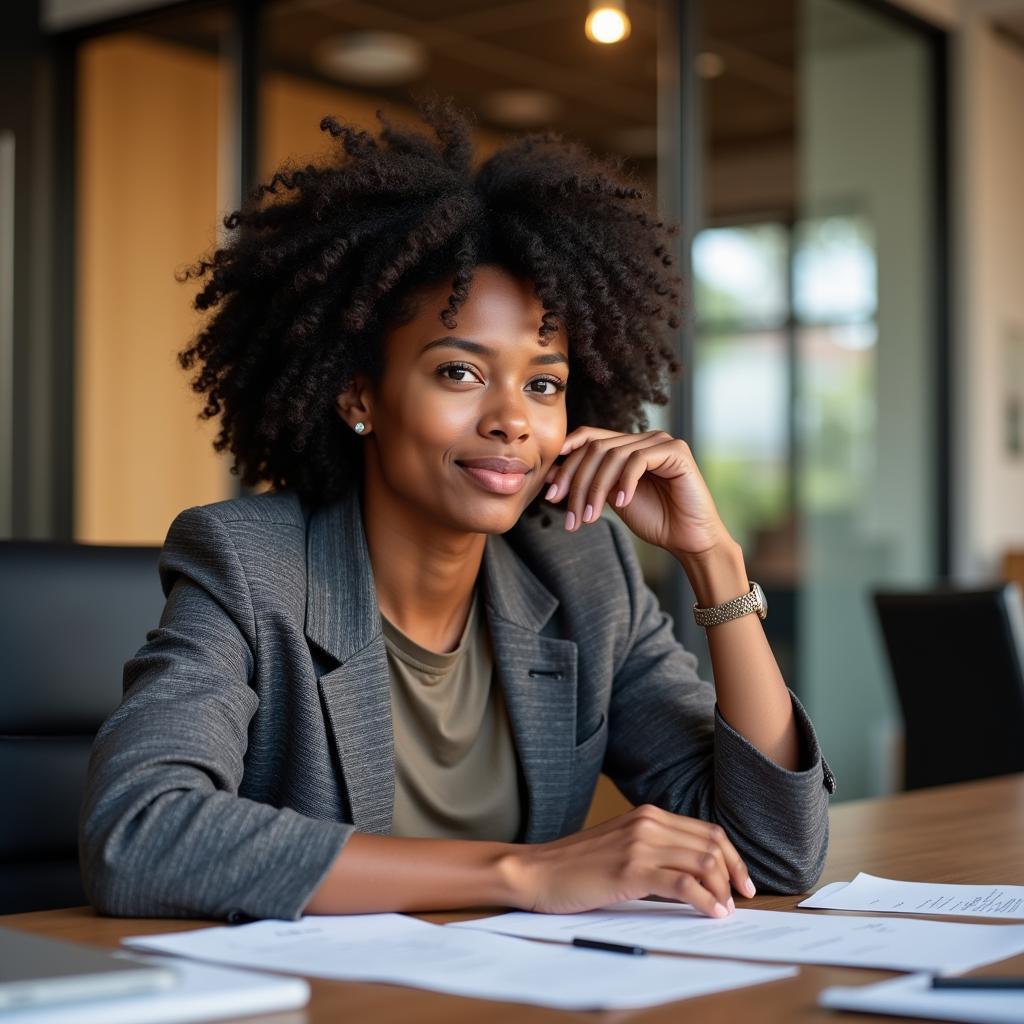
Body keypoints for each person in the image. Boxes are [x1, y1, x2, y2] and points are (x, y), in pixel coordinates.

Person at [79, 98, 834, 925]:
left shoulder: (584, 575)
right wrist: (522, 874)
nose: (513, 418)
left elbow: (775, 854)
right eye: (459, 373)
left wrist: (713, 560)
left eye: (542, 383)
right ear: (358, 392)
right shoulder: (249, 565)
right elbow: (139, 834)